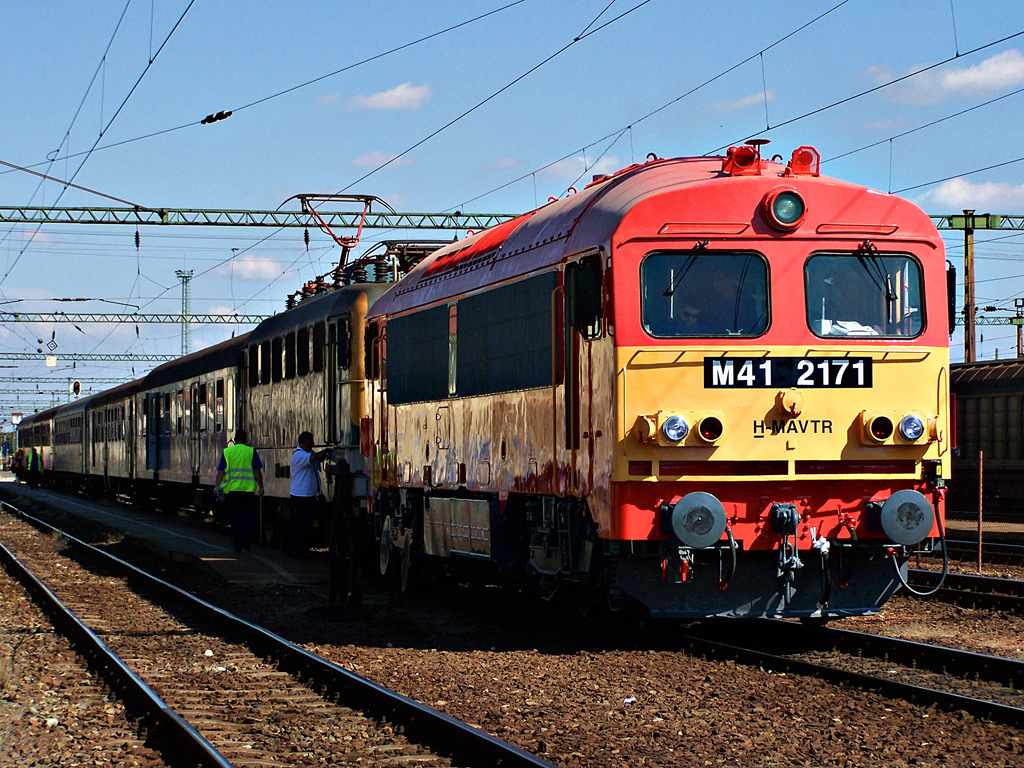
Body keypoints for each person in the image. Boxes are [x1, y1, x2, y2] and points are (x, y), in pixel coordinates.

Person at [214, 429, 265, 553]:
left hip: (232, 491)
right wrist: (261, 487)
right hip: (248, 491)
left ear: (235, 439)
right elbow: (257, 471)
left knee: (234, 518)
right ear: (246, 439)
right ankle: (245, 536)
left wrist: (216, 486)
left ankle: (237, 545)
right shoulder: (251, 451)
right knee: (249, 517)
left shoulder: (228, 452)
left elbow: (221, 471)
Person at [285, 431, 330, 557]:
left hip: (307, 495)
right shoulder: (299, 455)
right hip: (301, 496)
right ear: (304, 443)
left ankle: (293, 547)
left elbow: (315, 459)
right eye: (311, 441)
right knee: (301, 524)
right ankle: (296, 549)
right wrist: (326, 451)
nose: (313, 443)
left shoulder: (307, 453)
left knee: (301, 523)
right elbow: (313, 459)